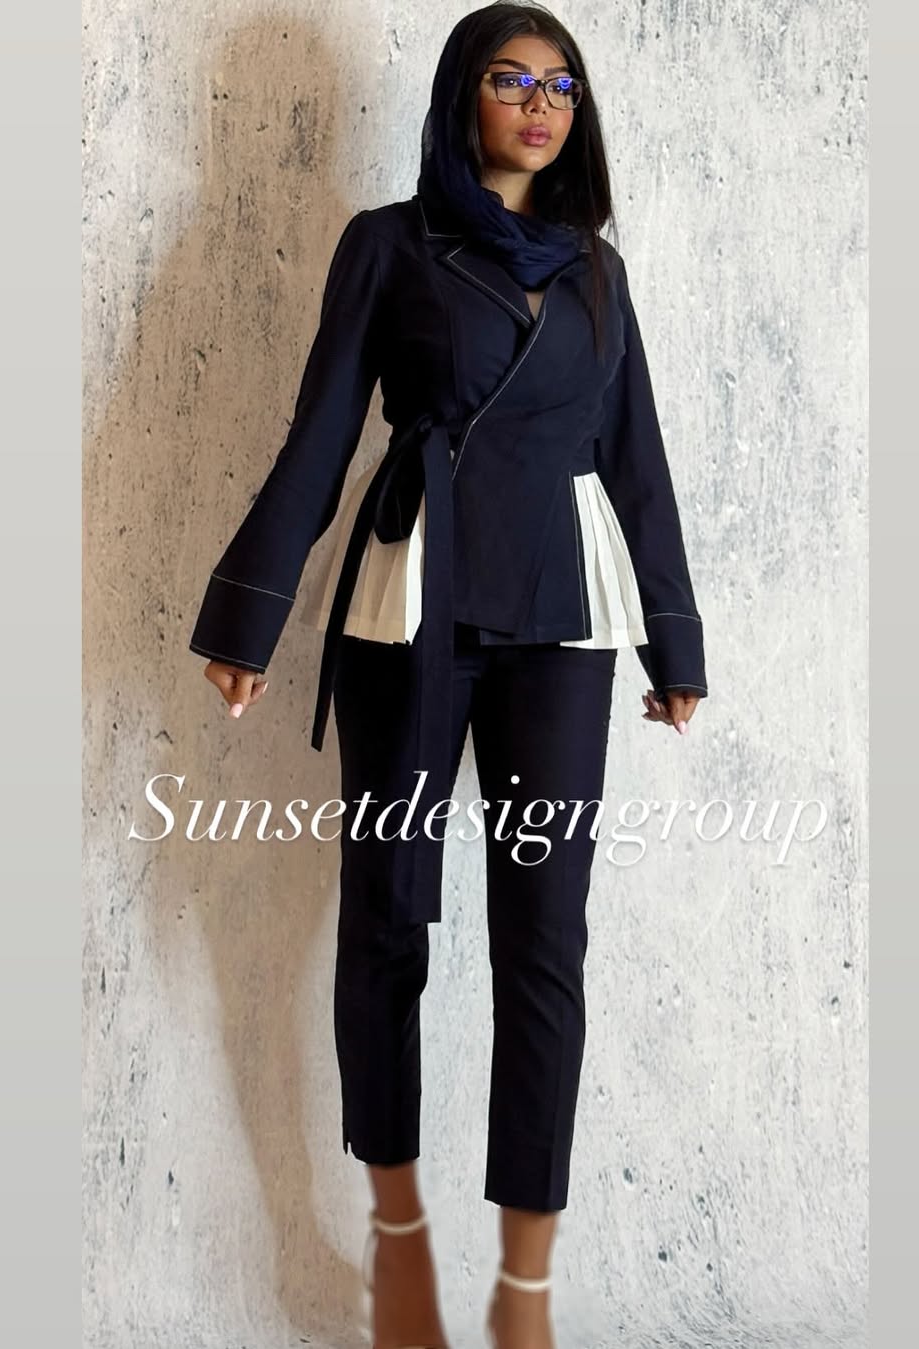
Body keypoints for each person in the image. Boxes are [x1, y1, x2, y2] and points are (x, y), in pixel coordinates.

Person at [188, 4, 709, 1346]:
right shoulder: (389, 245)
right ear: (461, 98)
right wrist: (249, 617)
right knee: (388, 914)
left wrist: (674, 640)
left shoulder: (596, 273)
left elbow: (638, 463)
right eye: (511, 80)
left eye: (561, 86)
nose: (541, 105)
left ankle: (525, 1282)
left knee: (547, 936)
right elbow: (321, 432)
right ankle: (397, 1229)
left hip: (562, 617)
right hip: (412, 597)